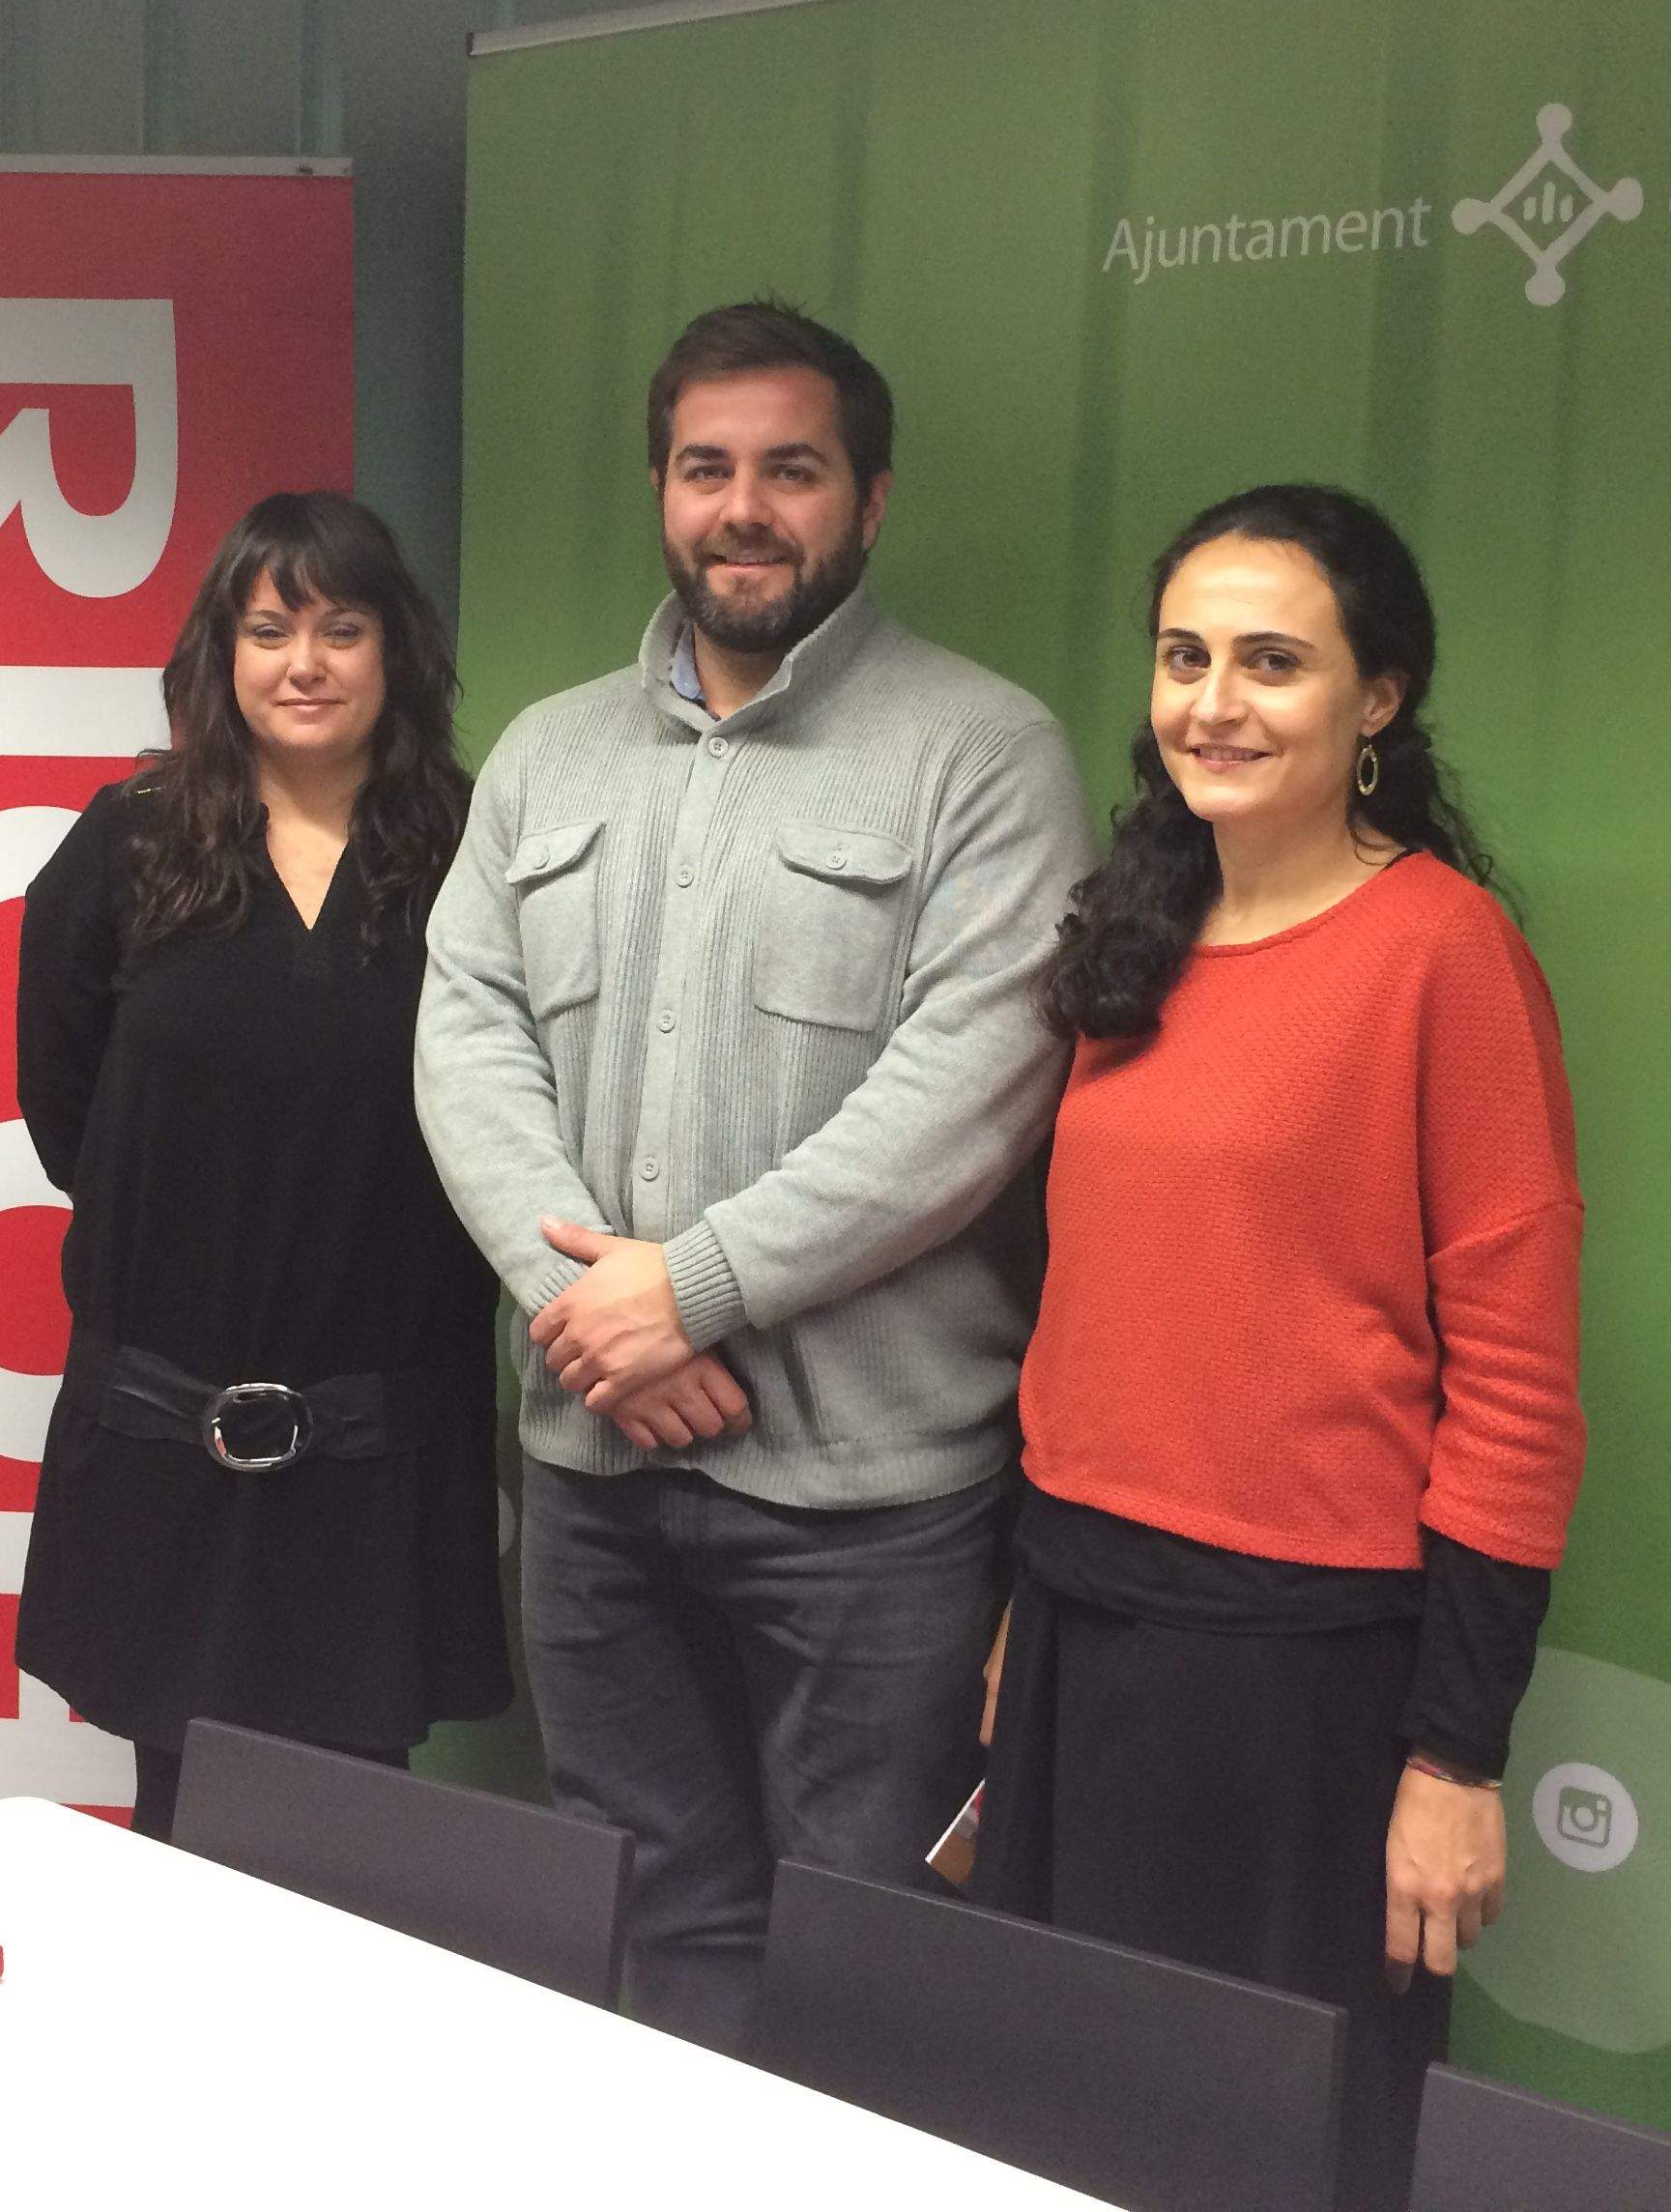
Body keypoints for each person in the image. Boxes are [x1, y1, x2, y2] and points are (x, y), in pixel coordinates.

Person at [415, 300, 1094, 2052]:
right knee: (646, 1936)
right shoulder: (551, 756)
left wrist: (687, 1289)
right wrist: (595, 1315)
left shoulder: (983, 751)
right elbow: (465, 1034)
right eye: (707, 468)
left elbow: (974, 1087)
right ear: (661, 489)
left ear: (868, 502)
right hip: (592, 1475)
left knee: (872, 1963)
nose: (744, 507)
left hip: (872, 1515)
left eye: (791, 470)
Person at [973, 484, 1586, 2212]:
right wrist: (1035, 1607)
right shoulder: (1134, 936)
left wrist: (1458, 1756)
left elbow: (1522, 1389)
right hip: (1085, 1628)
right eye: (1183, 658)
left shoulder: (1446, 957)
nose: (1213, 703)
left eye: (1271, 661)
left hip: (1305, 1681)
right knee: (1063, 2126)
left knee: (1264, 2158)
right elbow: (1108, 1312)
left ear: (1378, 698)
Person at [14, 492, 509, 1841]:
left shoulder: (473, 853)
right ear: (220, 656)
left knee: (355, 1834)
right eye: (270, 627)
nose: (305, 662)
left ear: (394, 653)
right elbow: (68, 1114)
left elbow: (515, 1112)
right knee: (176, 1827)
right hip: (172, 1424)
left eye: (342, 629)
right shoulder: (127, 843)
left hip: (376, 1433)